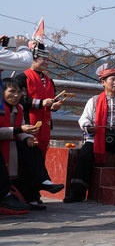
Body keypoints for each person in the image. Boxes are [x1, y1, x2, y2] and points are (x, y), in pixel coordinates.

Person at [65, 66, 115, 202]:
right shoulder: (94, 101)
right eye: (112, 80)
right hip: (98, 137)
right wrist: (88, 126)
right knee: (85, 154)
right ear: (103, 82)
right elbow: (84, 119)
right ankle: (77, 192)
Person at [13, 44, 66, 198]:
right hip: (27, 123)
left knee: (39, 157)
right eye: (43, 59)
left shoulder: (49, 81)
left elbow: (49, 102)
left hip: (45, 126)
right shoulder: (22, 78)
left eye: (48, 60)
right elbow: (16, 99)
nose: (46, 62)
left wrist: (54, 106)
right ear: (33, 59)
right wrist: (40, 103)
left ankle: (35, 194)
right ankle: (28, 195)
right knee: (27, 160)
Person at [0, 78, 41, 214]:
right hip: (3, 143)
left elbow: (21, 128)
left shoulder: (19, 108)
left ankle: (35, 191)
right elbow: (17, 129)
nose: (16, 95)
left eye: (19, 92)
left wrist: (28, 137)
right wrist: (20, 130)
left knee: (32, 148)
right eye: (12, 91)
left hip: (12, 142)